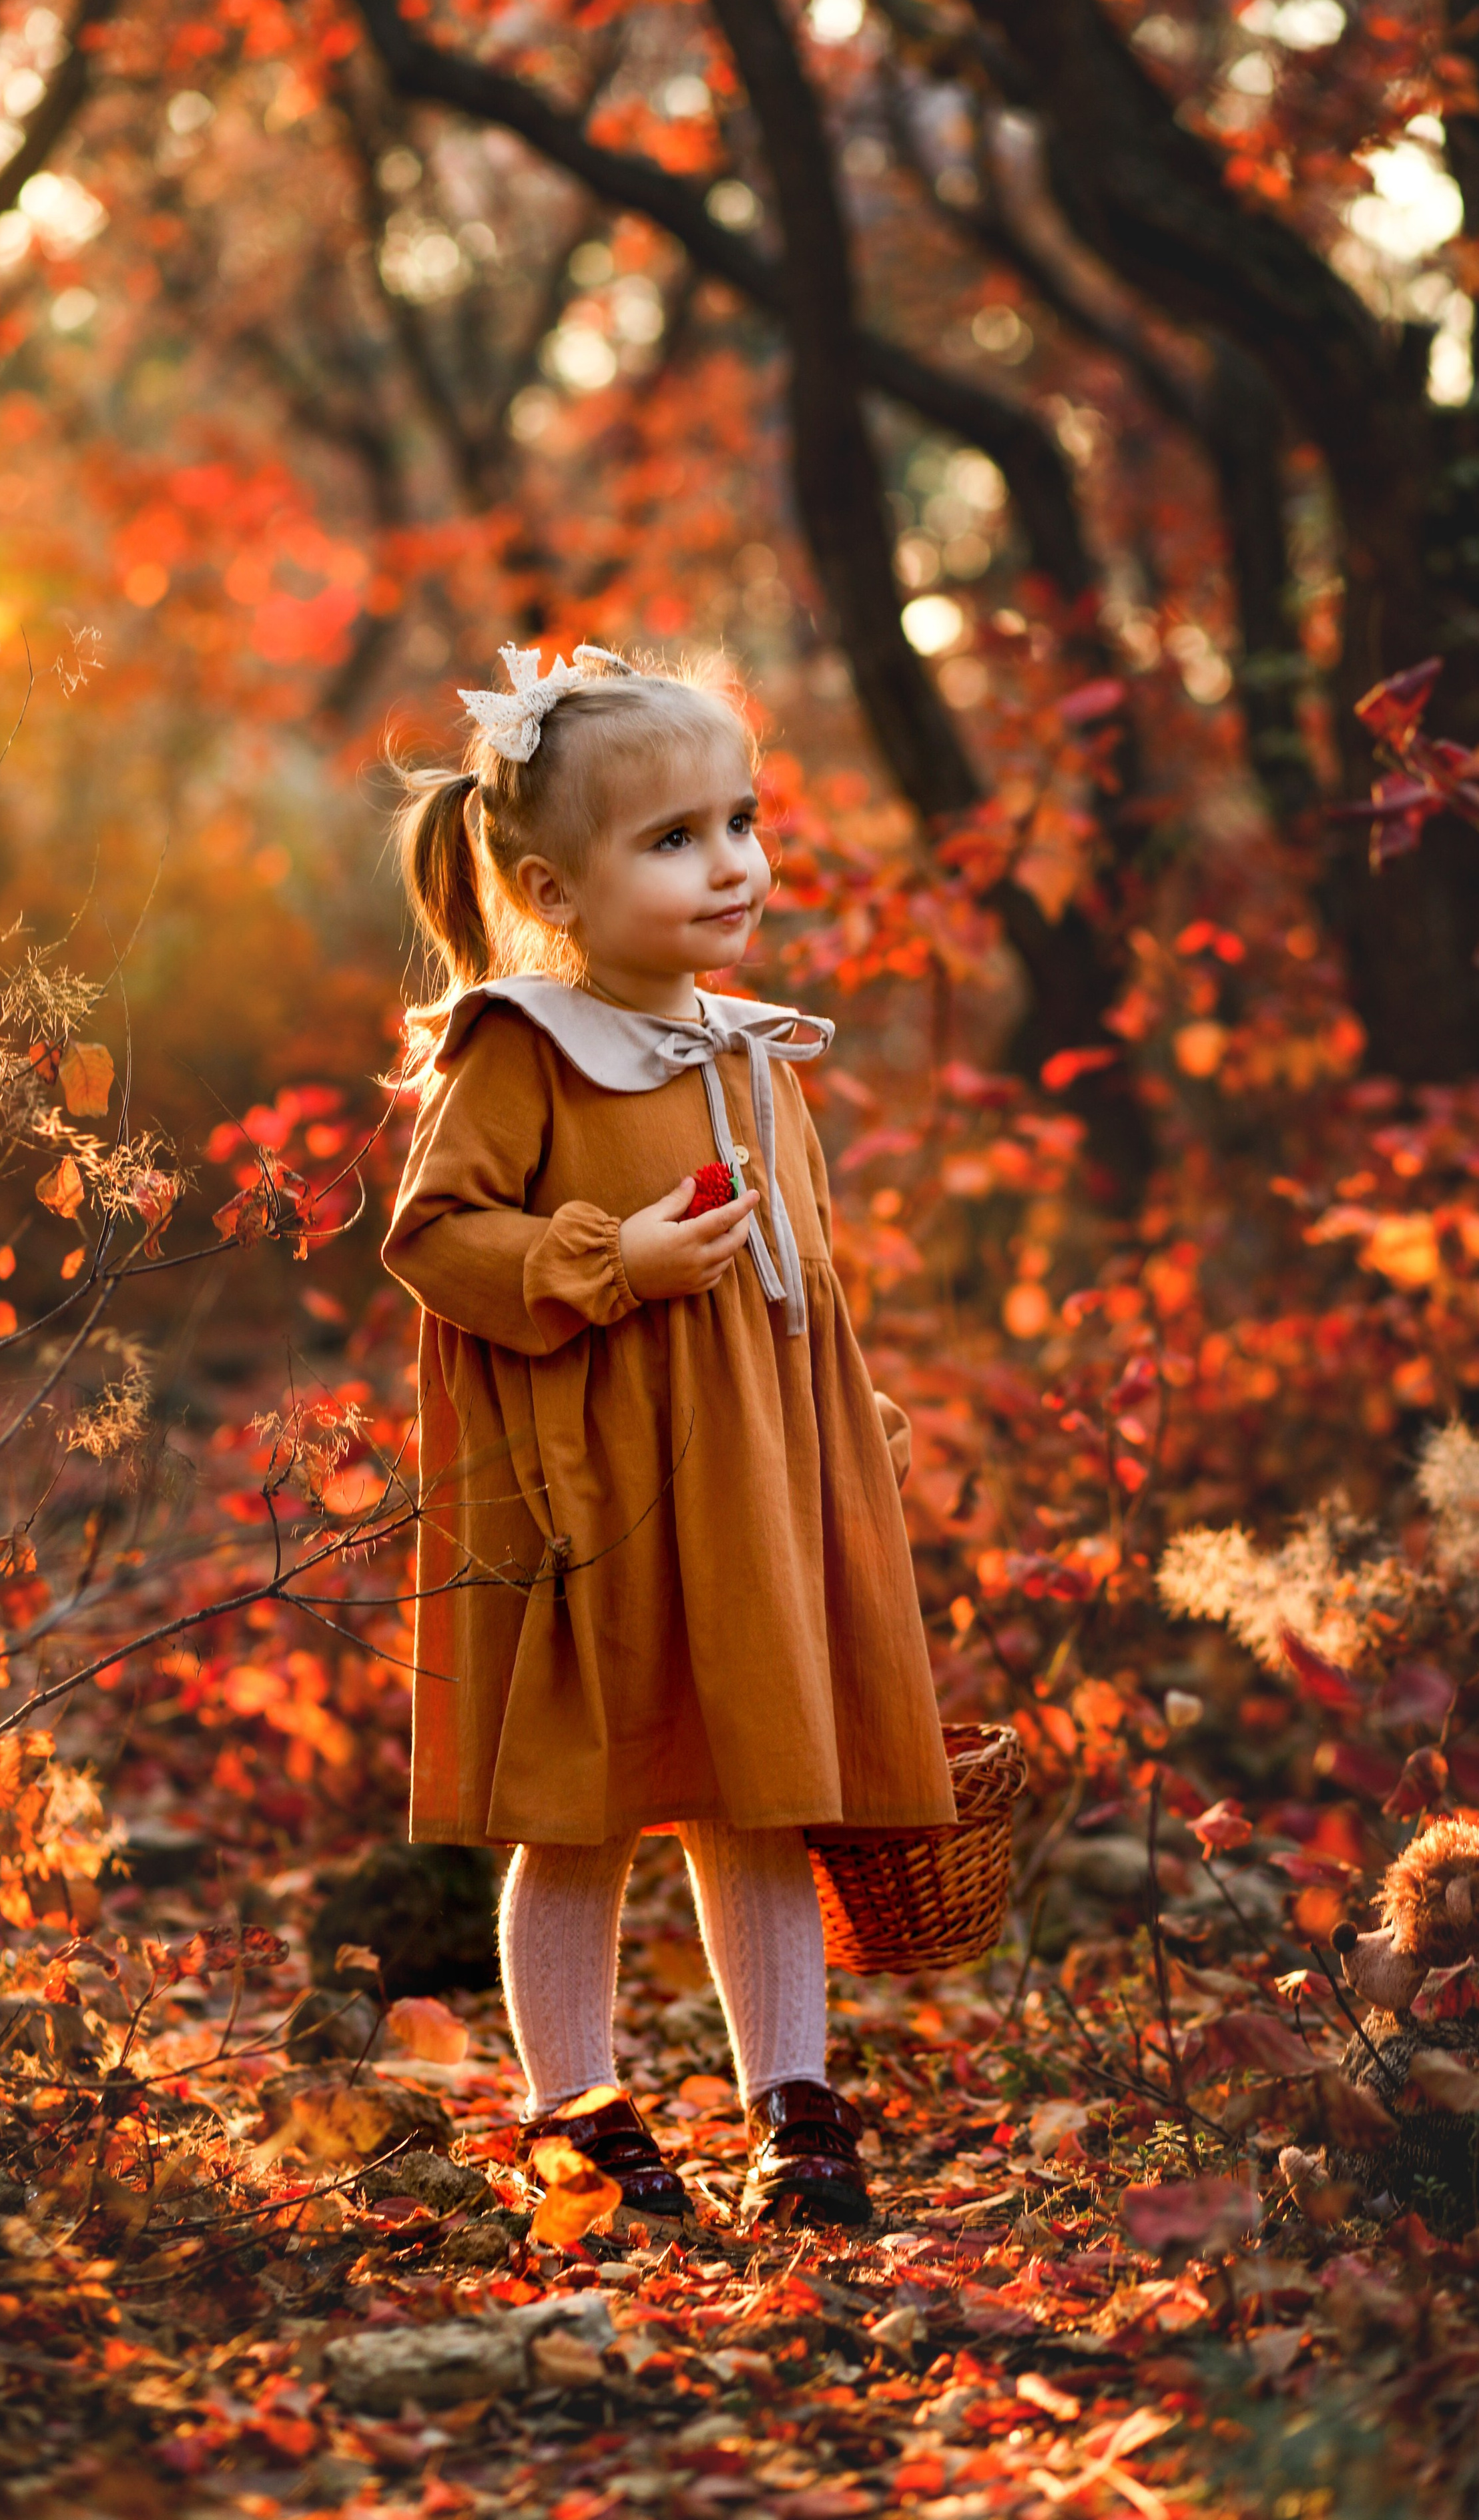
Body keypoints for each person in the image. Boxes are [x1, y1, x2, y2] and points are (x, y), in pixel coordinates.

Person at [381, 642, 954, 2227]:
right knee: (585, 1807)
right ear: (555, 888)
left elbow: (794, 1267)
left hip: (749, 1474)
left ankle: (793, 2106)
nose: (732, 865)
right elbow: (433, 1238)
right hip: (601, 1490)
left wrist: (840, 1403)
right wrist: (604, 1260)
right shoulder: (521, 1045)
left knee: (756, 1782)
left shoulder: (752, 1049)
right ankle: (574, 2111)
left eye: (740, 821)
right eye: (674, 838)